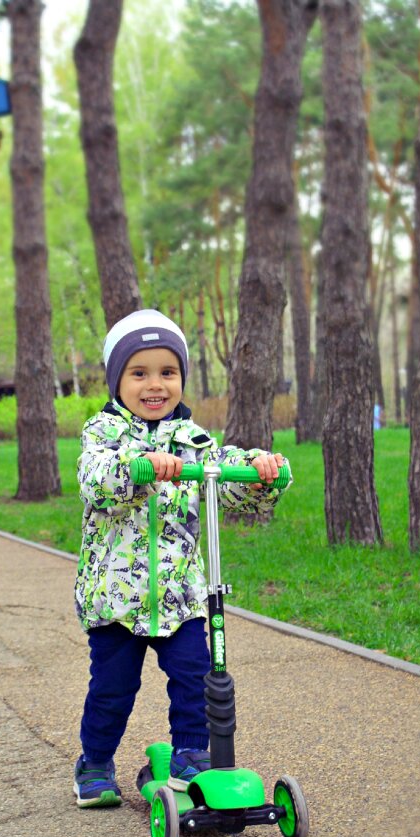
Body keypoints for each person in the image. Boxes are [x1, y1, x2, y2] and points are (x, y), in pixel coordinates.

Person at [73, 309, 288, 807]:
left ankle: (192, 754)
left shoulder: (193, 439)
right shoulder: (103, 433)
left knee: (197, 676)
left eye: (167, 373)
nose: (155, 385)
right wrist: (141, 467)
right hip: (116, 598)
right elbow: (95, 477)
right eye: (139, 373)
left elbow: (224, 474)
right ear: (117, 380)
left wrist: (260, 470)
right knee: (113, 690)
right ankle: (95, 763)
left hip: (181, 596)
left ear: (181, 379)